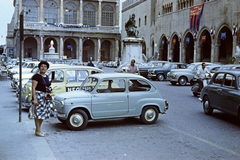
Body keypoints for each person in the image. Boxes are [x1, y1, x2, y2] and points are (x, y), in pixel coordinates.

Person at [32, 61, 52, 137]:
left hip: (45, 97)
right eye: (42, 66)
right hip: (38, 96)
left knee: (43, 114)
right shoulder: (36, 76)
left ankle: (38, 129)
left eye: (45, 66)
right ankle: (38, 130)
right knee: (38, 114)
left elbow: (47, 85)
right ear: (39, 67)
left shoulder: (46, 76)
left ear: (47, 68)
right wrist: (34, 99)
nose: (43, 68)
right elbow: (33, 88)